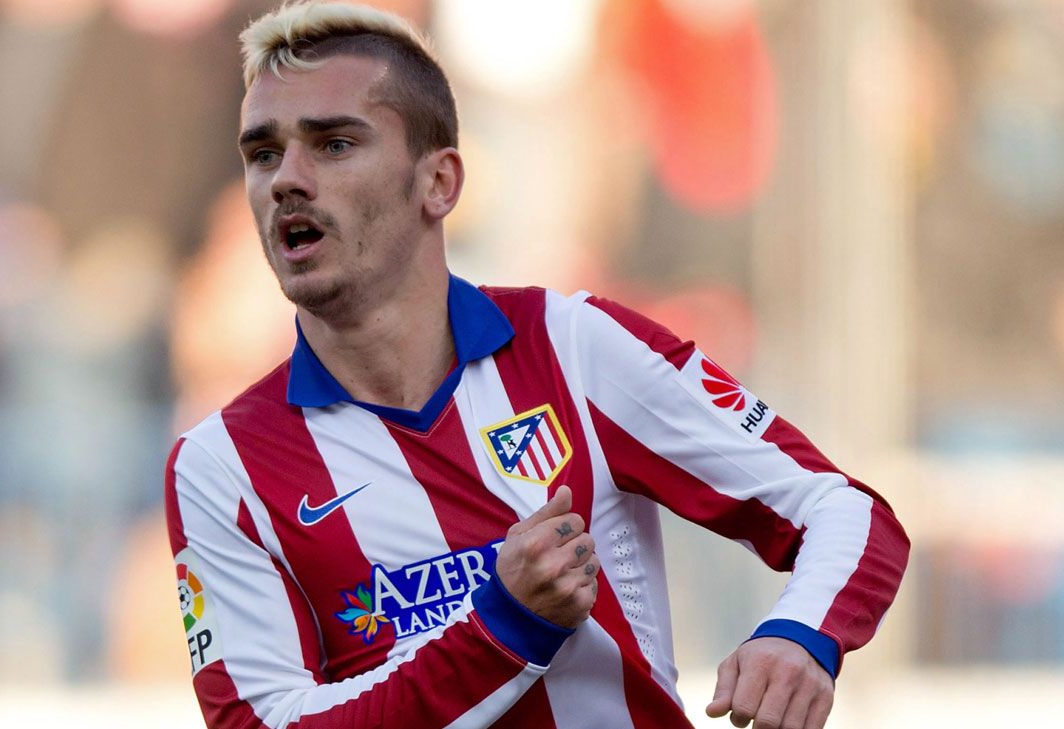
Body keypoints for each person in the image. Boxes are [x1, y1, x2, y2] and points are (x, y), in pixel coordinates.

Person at [163, 2, 910, 728]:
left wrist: (800, 635)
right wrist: (505, 626)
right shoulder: (222, 466)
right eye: (264, 153)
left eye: (333, 144)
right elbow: (264, 723)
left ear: (439, 183)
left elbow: (843, 510)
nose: (286, 179)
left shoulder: (575, 347)